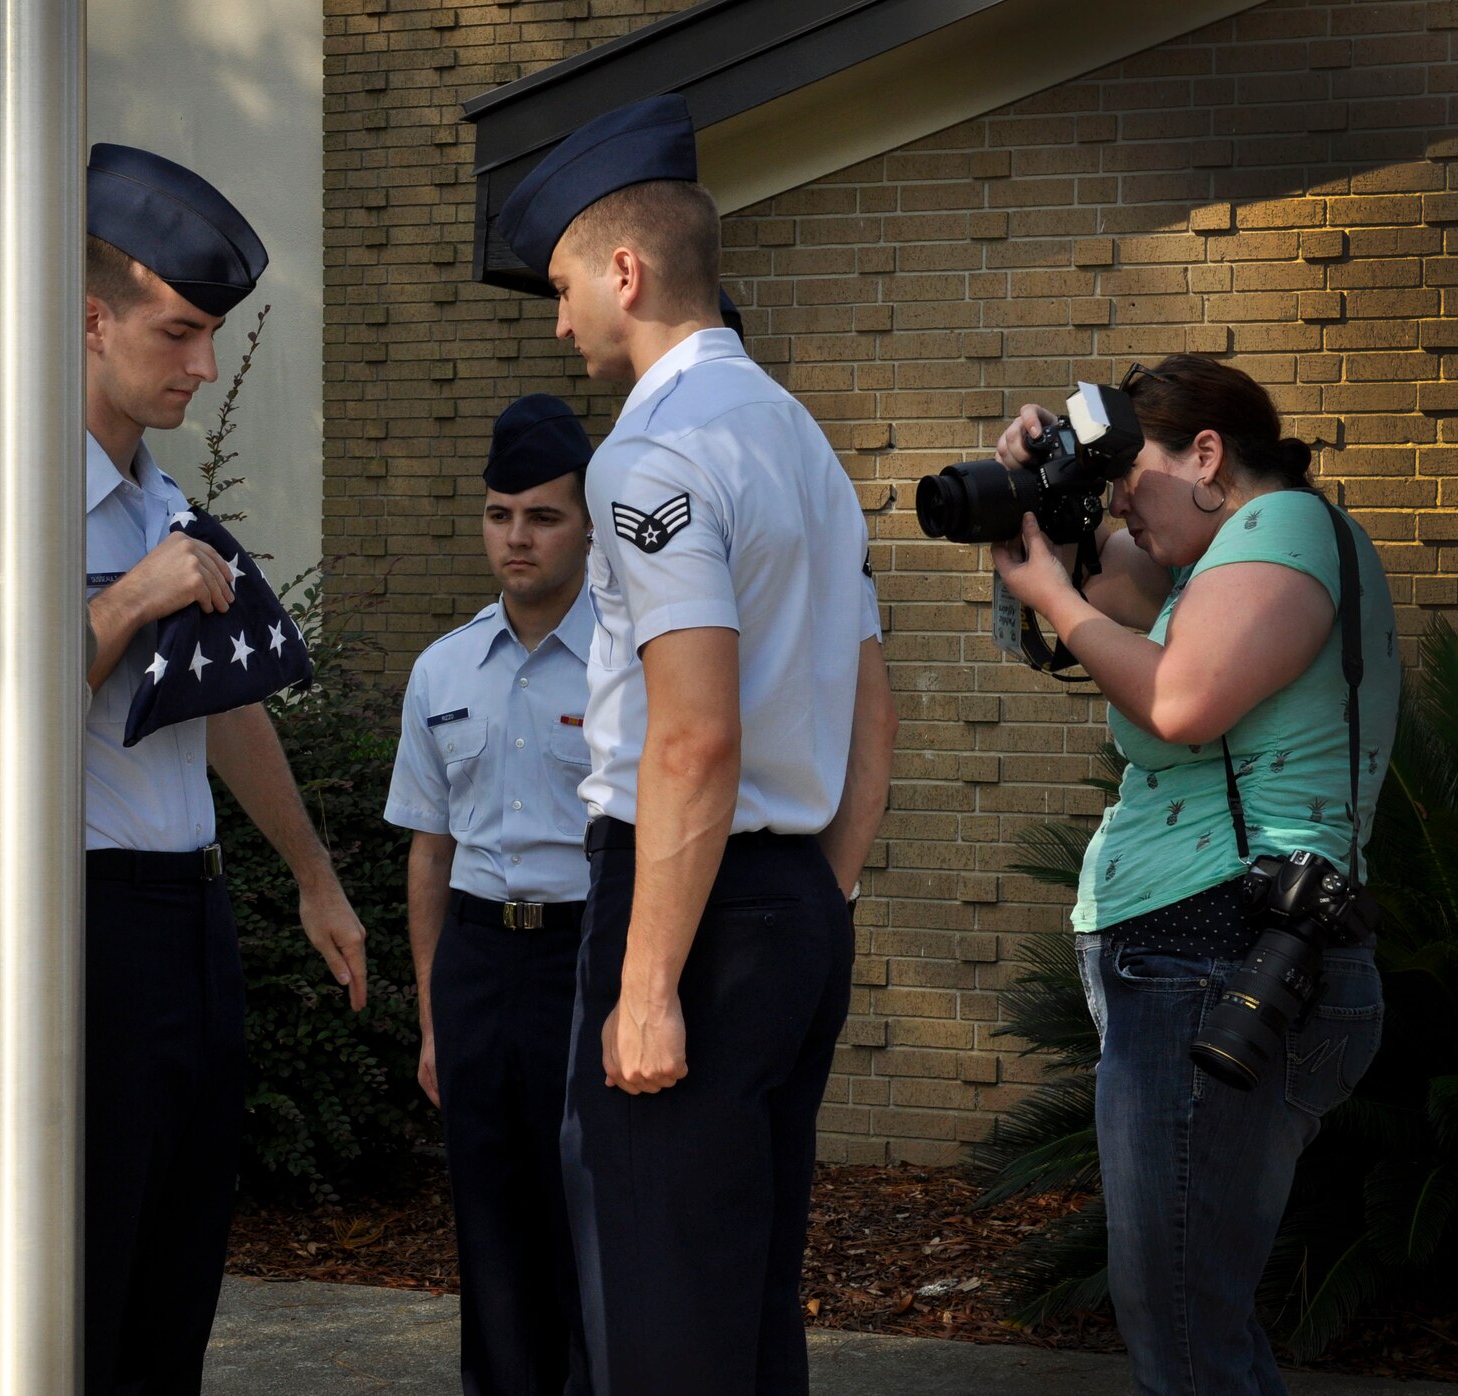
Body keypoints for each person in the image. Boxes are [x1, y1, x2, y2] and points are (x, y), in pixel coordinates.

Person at [0, 142, 369, 1395]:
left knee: (177, 1284)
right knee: (84, 1291)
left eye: (212, 335)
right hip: (85, 927)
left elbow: (220, 711)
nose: (203, 365)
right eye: (178, 332)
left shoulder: (159, 501)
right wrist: (123, 607)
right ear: (88, 318)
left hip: (193, 919)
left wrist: (311, 873)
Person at [496, 95, 897, 1395]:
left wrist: (652, 976)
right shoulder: (802, 440)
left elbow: (693, 736)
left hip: (691, 907)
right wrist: (824, 885)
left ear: (625, 271)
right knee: (750, 1304)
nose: (560, 322)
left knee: (662, 1311)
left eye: (565, 287)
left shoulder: (653, 454)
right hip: (789, 906)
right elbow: (869, 694)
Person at [989, 354, 1398, 1396]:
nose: (1129, 514)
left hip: (1223, 951)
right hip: (1196, 958)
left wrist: (1053, 596)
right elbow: (1102, 580)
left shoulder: (1286, 531)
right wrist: (1047, 502)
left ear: (1206, 456)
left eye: (1140, 488)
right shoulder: (1218, 555)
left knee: (1180, 1326)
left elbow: (1174, 701)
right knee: (1187, 1314)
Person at [384, 393, 598, 1396]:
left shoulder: (627, 664)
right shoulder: (441, 669)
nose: (517, 537)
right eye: (500, 514)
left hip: (584, 956)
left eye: (543, 515)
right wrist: (433, 1015)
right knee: (489, 1226)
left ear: (587, 524)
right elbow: (429, 853)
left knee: (587, 1223)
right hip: (475, 963)